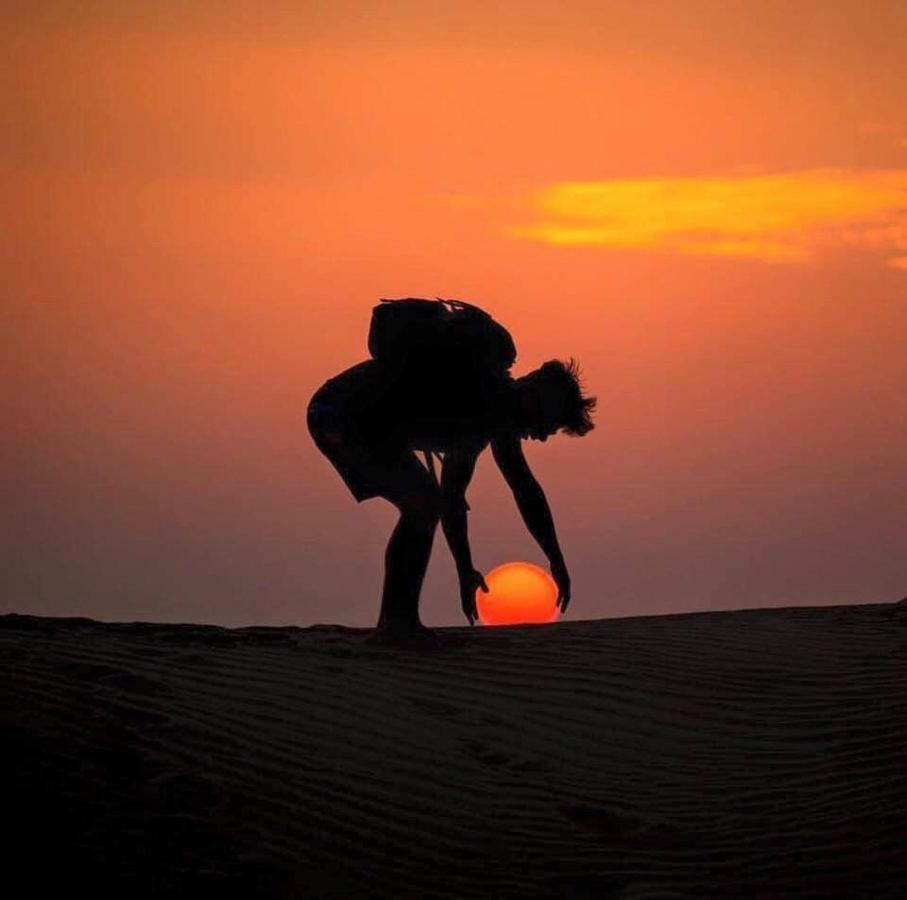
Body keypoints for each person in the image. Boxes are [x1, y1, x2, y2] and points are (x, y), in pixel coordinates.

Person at [307, 350, 596, 647]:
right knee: (424, 504)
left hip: (347, 414)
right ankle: (396, 624)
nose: (545, 435)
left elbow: (524, 490)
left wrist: (555, 560)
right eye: (552, 423)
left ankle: (398, 622)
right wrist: (465, 568)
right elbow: (453, 497)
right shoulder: (485, 406)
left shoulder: (499, 410)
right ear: (539, 403)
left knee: (424, 503)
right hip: (340, 415)